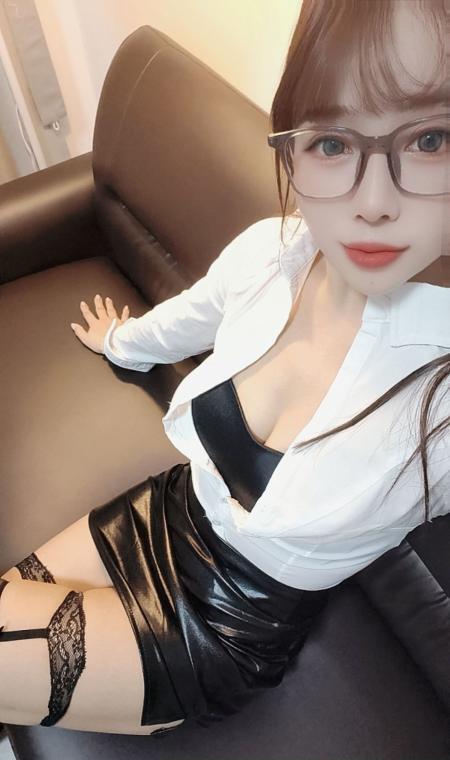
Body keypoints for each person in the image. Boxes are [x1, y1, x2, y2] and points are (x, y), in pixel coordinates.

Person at [0, 0, 449, 738]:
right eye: (333, 141)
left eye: (430, 139)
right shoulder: (274, 254)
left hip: (222, 631)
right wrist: (120, 342)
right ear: (292, 145)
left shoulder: (441, 391)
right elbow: (187, 318)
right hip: (166, 512)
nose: (373, 202)